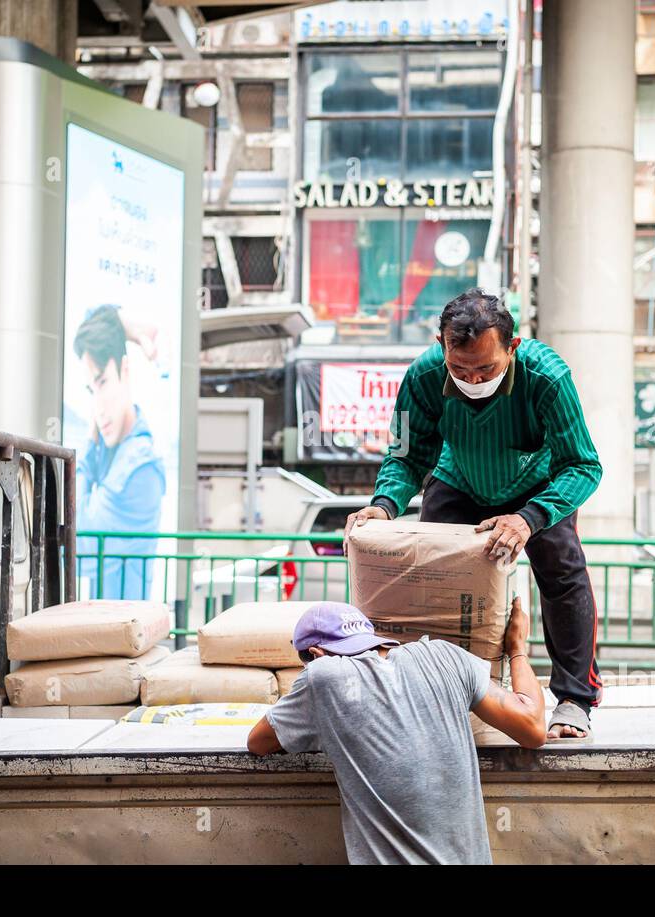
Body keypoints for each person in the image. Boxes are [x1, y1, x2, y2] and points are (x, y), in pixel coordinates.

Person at [344, 288, 603, 740]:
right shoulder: (422, 376)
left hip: (537, 488)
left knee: (563, 572)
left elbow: (583, 465)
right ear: (441, 344)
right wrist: (384, 506)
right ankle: (437, 688)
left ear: (513, 346)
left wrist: (529, 518)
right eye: (459, 367)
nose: (472, 378)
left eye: (486, 367)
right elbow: (406, 455)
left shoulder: (548, 377)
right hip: (458, 478)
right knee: (432, 577)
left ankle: (574, 699)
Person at [247, 597, 545, 865]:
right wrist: (516, 648)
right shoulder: (445, 656)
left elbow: (259, 742)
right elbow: (532, 726)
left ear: (315, 653)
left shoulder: (322, 678)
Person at [73, 304, 165, 600]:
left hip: (123, 631)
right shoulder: (116, 451)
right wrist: (132, 329)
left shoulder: (139, 467)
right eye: (91, 391)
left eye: (102, 382)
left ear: (124, 371)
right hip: (107, 627)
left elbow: (76, 533)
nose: (98, 408)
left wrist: (87, 444)